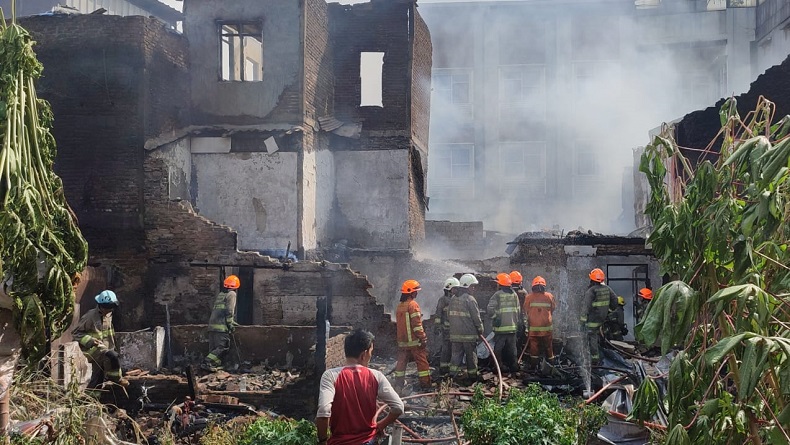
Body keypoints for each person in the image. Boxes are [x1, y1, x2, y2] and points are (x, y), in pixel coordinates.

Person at [316, 328, 404, 445]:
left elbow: (323, 410)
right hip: (367, 441)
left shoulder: (330, 376)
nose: (370, 357)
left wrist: (322, 440)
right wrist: (379, 427)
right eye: (370, 353)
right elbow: (398, 407)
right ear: (364, 354)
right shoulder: (376, 376)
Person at [72, 290, 128, 388]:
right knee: (112, 357)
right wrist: (91, 341)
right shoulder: (90, 317)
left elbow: (109, 332)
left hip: (105, 348)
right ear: (100, 305)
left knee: (98, 378)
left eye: (111, 308)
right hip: (93, 350)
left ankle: (94, 398)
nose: (109, 310)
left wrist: (113, 345)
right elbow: (76, 333)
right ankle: (116, 379)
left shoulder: (108, 314)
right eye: (107, 308)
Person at [393, 279, 431, 391]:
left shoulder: (400, 306)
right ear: (411, 292)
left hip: (402, 342)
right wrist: (423, 337)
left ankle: (398, 384)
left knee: (401, 362)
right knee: (422, 362)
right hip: (414, 341)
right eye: (416, 291)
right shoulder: (413, 305)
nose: (417, 293)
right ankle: (426, 385)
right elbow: (417, 325)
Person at [448, 274, 484, 384]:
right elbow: (476, 317)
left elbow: (449, 315)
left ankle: (451, 376)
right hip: (469, 335)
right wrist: (480, 329)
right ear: (466, 286)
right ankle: (473, 377)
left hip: (455, 335)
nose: (474, 289)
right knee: (471, 357)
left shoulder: (453, 299)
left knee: (455, 357)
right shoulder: (470, 299)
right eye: (472, 286)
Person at [202, 275, 240, 371]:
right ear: (236, 286)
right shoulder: (232, 294)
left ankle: (213, 366)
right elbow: (229, 310)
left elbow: (220, 310)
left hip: (212, 326)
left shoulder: (221, 295)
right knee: (223, 347)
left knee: (214, 349)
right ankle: (207, 361)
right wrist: (230, 324)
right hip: (221, 328)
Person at [580, 268, 618, 365]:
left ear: (591, 279)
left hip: (593, 320)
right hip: (602, 319)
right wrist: (609, 311)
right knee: (600, 336)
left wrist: (582, 322)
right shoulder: (608, 289)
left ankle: (594, 360)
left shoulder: (591, 291)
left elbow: (585, 307)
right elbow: (615, 301)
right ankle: (602, 354)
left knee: (591, 336)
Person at [486, 273, 520, 374]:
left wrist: (495, 318)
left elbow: (490, 309)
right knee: (512, 349)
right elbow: (518, 310)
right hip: (512, 327)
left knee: (498, 348)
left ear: (500, 284)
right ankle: (514, 366)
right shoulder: (514, 294)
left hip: (501, 328)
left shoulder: (497, 295)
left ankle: (498, 366)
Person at [522, 276, 556, 369]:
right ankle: (551, 365)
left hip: (534, 328)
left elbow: (526, 310)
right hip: (547, 328)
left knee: (534, 348)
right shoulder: (549, 296)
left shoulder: (529, 297)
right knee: (549, 347)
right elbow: (553, 308)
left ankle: (534, 367)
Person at [434, 277, 459, 378]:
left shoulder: (455, 299)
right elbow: (438, 314)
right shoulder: (443, 300)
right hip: (448, 330)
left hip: (454, 329)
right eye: (455, 288)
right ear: (451, 289)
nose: (456, 291)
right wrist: (437, 326)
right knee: (448, 349)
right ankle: (445, 368)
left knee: (452, 349)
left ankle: (448, 368)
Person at [510, 271, 528, 353]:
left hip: (508, 320)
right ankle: (518, 356)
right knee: (519, 340)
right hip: (519, 320)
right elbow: (526, 308)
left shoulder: (506, 292)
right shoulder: (523, 292)